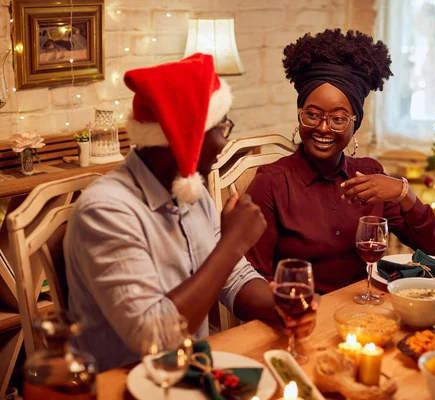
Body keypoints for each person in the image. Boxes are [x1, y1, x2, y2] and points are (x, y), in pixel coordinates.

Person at [64, 54, 316, 372]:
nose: (225, 141)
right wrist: (232, 244)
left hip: (189, 371)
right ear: (185, 137)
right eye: (220, 127)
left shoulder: (188, 190)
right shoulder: (106, 211)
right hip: (123, 383)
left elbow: (234, 278)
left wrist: (280, 306)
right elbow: (153, 338)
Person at [245, 29, 435, 294]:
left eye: (338, 119)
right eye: (312, 115)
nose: (323, 128)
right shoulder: (271, 183)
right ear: (300, 115)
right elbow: (253, 277)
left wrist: (402, 192)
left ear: (354, 124)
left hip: (368, 308)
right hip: (305, 315)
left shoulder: (371, 174)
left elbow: (431, 246)